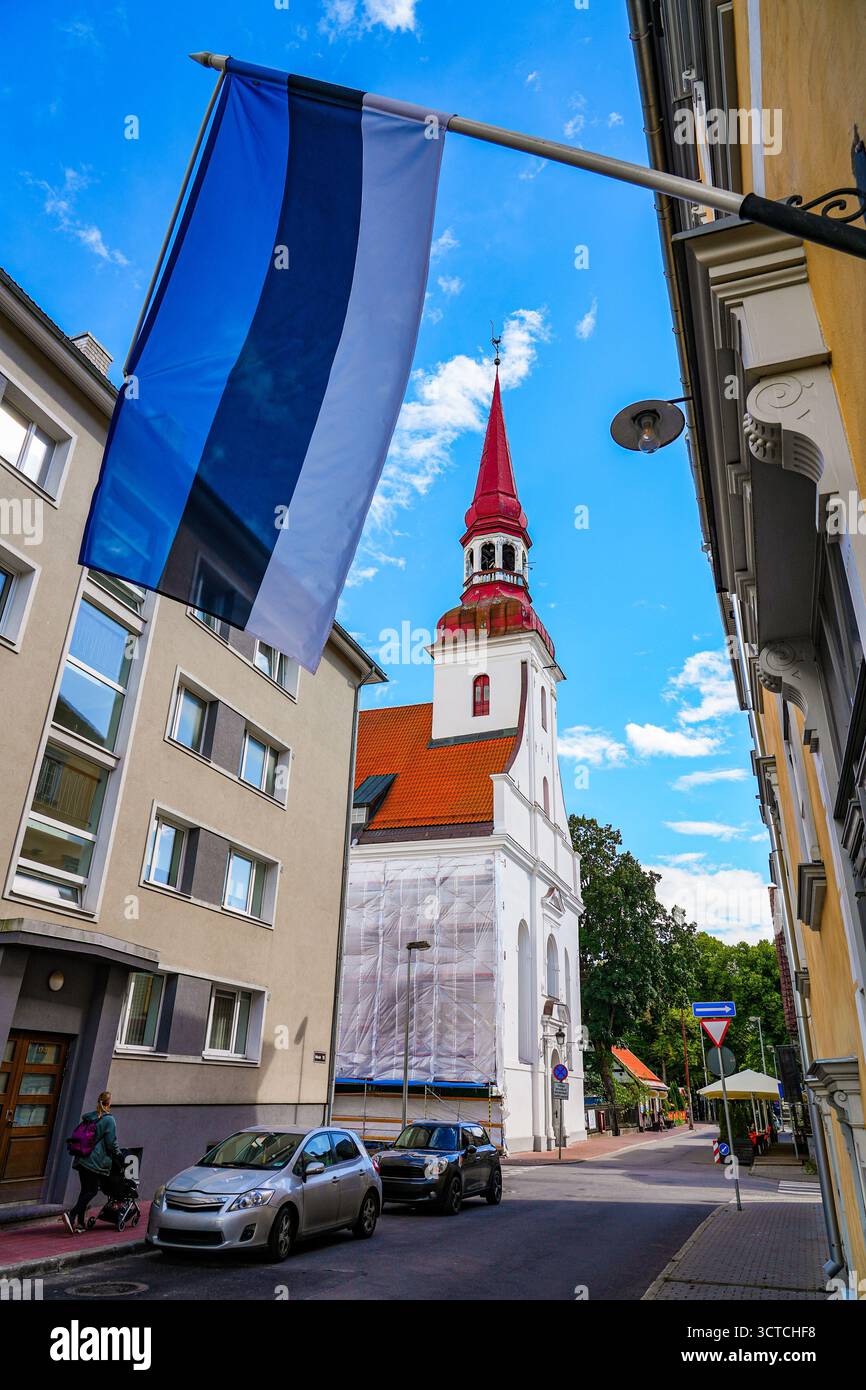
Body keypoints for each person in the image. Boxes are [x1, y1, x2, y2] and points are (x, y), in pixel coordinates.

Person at [62, 1091, 122, 1235]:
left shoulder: (91, 1117)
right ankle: (72, 1214)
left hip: (82, 1159)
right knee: (92, 1191)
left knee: (85, 1191)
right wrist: (118, 1155)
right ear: (109, 1103)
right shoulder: (109, 1120)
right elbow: (110, 1143)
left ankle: (81, 1223)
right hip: (95, 1161)